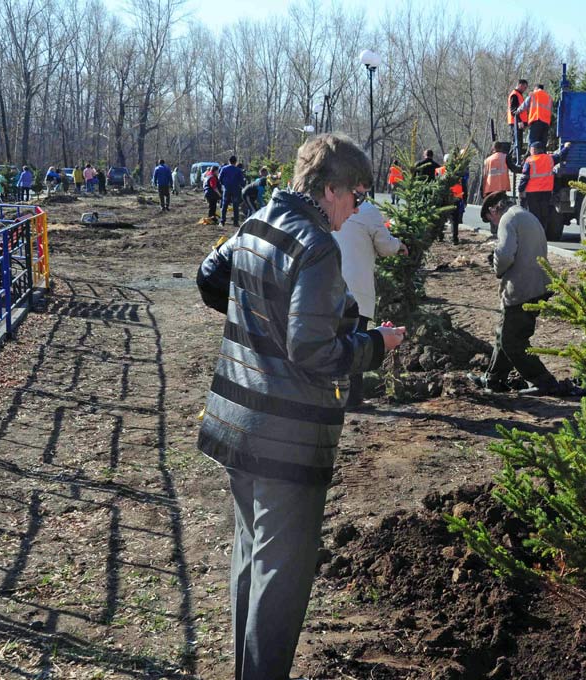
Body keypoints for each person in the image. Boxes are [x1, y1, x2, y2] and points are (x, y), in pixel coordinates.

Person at [196, 132, 406, 680]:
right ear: (329, 190)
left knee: (252, 560)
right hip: (283, 438)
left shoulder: (260, 220)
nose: (357, 209)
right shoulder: (315, 245)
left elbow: (211, 276)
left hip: (236, 426)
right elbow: (313, 352)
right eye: (356, 196)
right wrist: (376, 345)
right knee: (282, 578)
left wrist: (258, 316)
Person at [467, 191, 570, 397]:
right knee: (504, 333)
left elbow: (505, 255)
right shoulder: (525, 215)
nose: (494, 224)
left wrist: (496, 266)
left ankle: (543, 381)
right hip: (537, 284)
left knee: (512, 341)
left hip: (522, 287)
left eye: (490, 219)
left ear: (494, 209)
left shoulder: (508, 219)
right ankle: (494, 379)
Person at [331, 200, 408, 409]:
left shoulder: (328, 206)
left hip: (328, 286)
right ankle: (353, 398)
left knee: (332, 341)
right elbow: (385, 246)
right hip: (356, 290)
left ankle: (331, 395)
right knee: (357, 343)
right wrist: (399, 245)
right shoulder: (367, 211)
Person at [518, 140, 570, 234]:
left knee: (534, 214)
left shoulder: (530, 160)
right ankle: (542, 233)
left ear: (534, 150)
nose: (530, 151)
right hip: (546, 192)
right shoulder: (549, 159)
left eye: (531, 149)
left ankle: (535, 234)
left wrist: (521, 189)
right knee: (544, 214)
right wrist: (566, 147)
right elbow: (560, 156)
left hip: (532, 193)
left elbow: (525, 177)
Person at [520, 83, 553, 148]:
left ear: (536, 88)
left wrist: (517, 111)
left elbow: (524, 106)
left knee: (533, 142)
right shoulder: (549, 97)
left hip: (536, 120)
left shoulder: (533, 94)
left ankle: (532, 157)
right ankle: (542, 156)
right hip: (546, 123)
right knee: (542, 143)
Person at [218, 154, 246, 226]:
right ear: (236, 162)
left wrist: (224, 184)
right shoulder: (238, 170)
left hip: (227, 189)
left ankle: (222, 221)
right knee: (235, 206)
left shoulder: (224, 168)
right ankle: (236, 222)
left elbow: (219, 178)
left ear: (229, 161)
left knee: (224, 205)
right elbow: (242, 181)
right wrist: (242, 185)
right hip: (236, 190)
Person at [507, 79, 529, 163]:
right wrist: (519, 121)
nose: (525, 89)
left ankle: (516, 158)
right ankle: (513, 160)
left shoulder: (519, 95)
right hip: (515, 122)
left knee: (518, 142)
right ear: (520, 85)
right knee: (516, 142)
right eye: (524, 87)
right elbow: (513, 110)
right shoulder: (515, 95)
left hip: (518, 122)